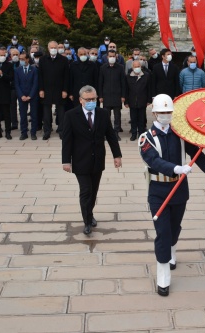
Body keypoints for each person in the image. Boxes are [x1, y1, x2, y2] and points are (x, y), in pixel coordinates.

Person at [139, 94, 205, 297]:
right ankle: (163, 275)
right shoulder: (145, 138)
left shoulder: (180, 133)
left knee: (175, 229)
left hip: (180, 189)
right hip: (158, 190)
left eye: (169, 112)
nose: (166, 115)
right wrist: (175, 168)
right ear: (154, 113)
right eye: (162, 112)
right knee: (163, 233)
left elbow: (195, 151)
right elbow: (153, 161)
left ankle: (172, 250)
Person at [62, 85, 122, 235]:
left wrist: (117, 155)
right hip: (80, 160)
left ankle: (90, 213)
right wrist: (66, 161)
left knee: (93, 191)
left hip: (97, 159)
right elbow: (67, 140)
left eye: (93, 99)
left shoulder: (103, 114)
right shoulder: (71, 115)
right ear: (81, 100)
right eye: (88, 99)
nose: (91, 101)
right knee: (86, 191)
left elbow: (111, 136)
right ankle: (87, 221)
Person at [38, 41, 70, 140]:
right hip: (46, 89)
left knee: (61, 112)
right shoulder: (43, 59)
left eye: (55, 47)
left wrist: (65, 90)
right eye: (51, 47)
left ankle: (61, 130)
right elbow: (40, 75)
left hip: (59, 89)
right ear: (48, 48)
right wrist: (41, 89)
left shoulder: (63, 60)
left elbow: (66, 77)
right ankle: (47, 131)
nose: (53, 49)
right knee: (47, 113)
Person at [98, 49, 127, 139]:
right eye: (110, 56)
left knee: (117, 116)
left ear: (116, 57)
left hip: (117, 95)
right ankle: (107, 133)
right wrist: (100, 96)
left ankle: (116, 133)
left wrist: (123, 95)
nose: (112, 58)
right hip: (106, 96)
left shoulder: (120, 67)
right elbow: (100, 83)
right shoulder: (103, 68)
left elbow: (123, 83)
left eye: (113, 56)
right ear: (107, 57)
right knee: (106, 116)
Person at [14, 53, 39, 140]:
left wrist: (30, 96)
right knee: (23, 115)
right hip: (22, 96)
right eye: (20, 59)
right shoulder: (17, 70)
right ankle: (24, 133)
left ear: (27, 59)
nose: (21, 60)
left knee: (34, 115)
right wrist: (21, 95)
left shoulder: (34, 70)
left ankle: (33, 133)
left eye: (23, 59)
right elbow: (16, 84)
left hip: (32, 96)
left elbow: (35, 84)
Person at [125, 60, 151, 141]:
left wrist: (149, 100)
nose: (137, 68)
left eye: (138, 66)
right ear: (132, 68)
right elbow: (126, 89)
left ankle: (141, 134)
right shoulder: (128, 76)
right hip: (132, 101)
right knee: (133, 119)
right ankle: (133, 134)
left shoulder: (146, 75)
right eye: (135, 66)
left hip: (142, 100)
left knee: (141, 119)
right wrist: (126, 101)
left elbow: (149, 88)